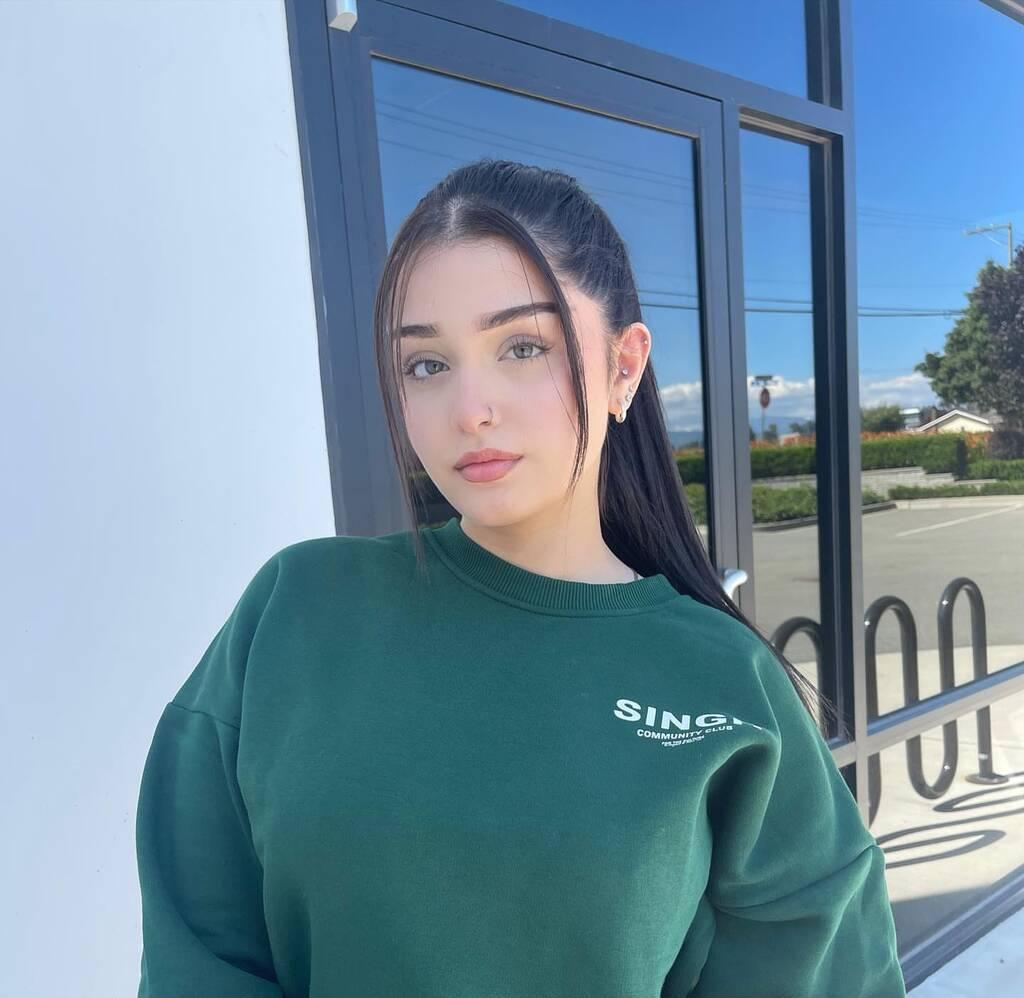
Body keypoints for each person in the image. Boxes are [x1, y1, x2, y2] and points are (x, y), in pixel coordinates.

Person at [134, 159, 906, 997]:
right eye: (426, 364)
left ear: (623, 367)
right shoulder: (299, 611)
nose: (470, 409)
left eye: (523, 346)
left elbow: (822, 968)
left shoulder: (725, 681)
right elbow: (196, 951)